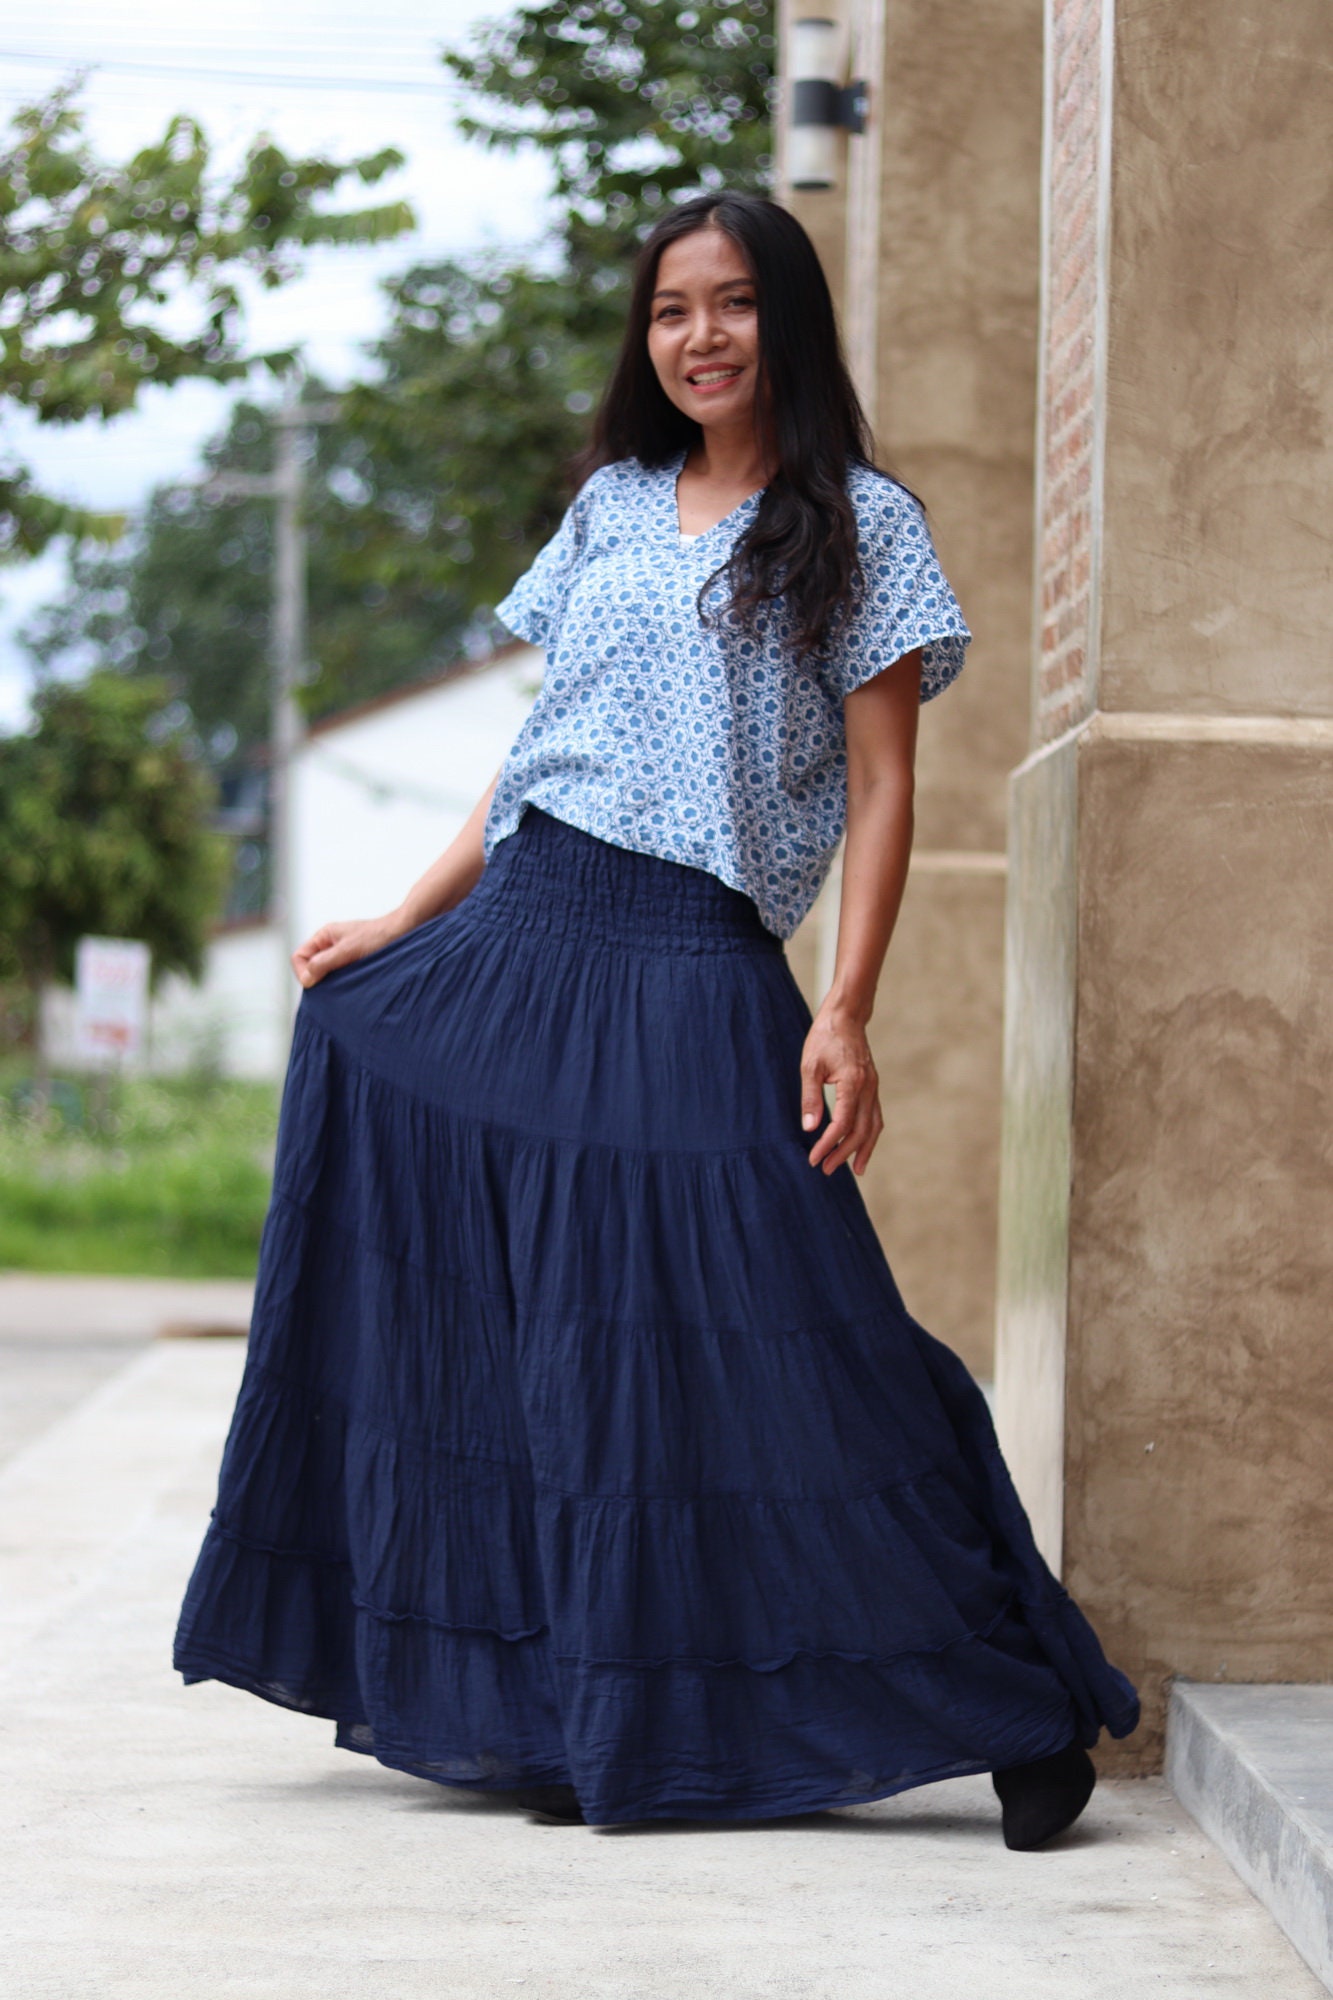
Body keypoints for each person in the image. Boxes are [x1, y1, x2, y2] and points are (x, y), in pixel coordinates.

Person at [174, 190, 1138, 1847]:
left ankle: (1012, 1689)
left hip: (696, 955)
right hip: (531, 926)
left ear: (788, 322)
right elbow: (545, 740)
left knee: (806, 1325)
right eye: (671, 309)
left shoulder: (861, 522)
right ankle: (563, 1698)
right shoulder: (614, 508)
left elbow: (890, 787)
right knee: (539, 1314)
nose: (698, 335)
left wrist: (842, 1010)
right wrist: (406, 916)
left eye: (734, 304)